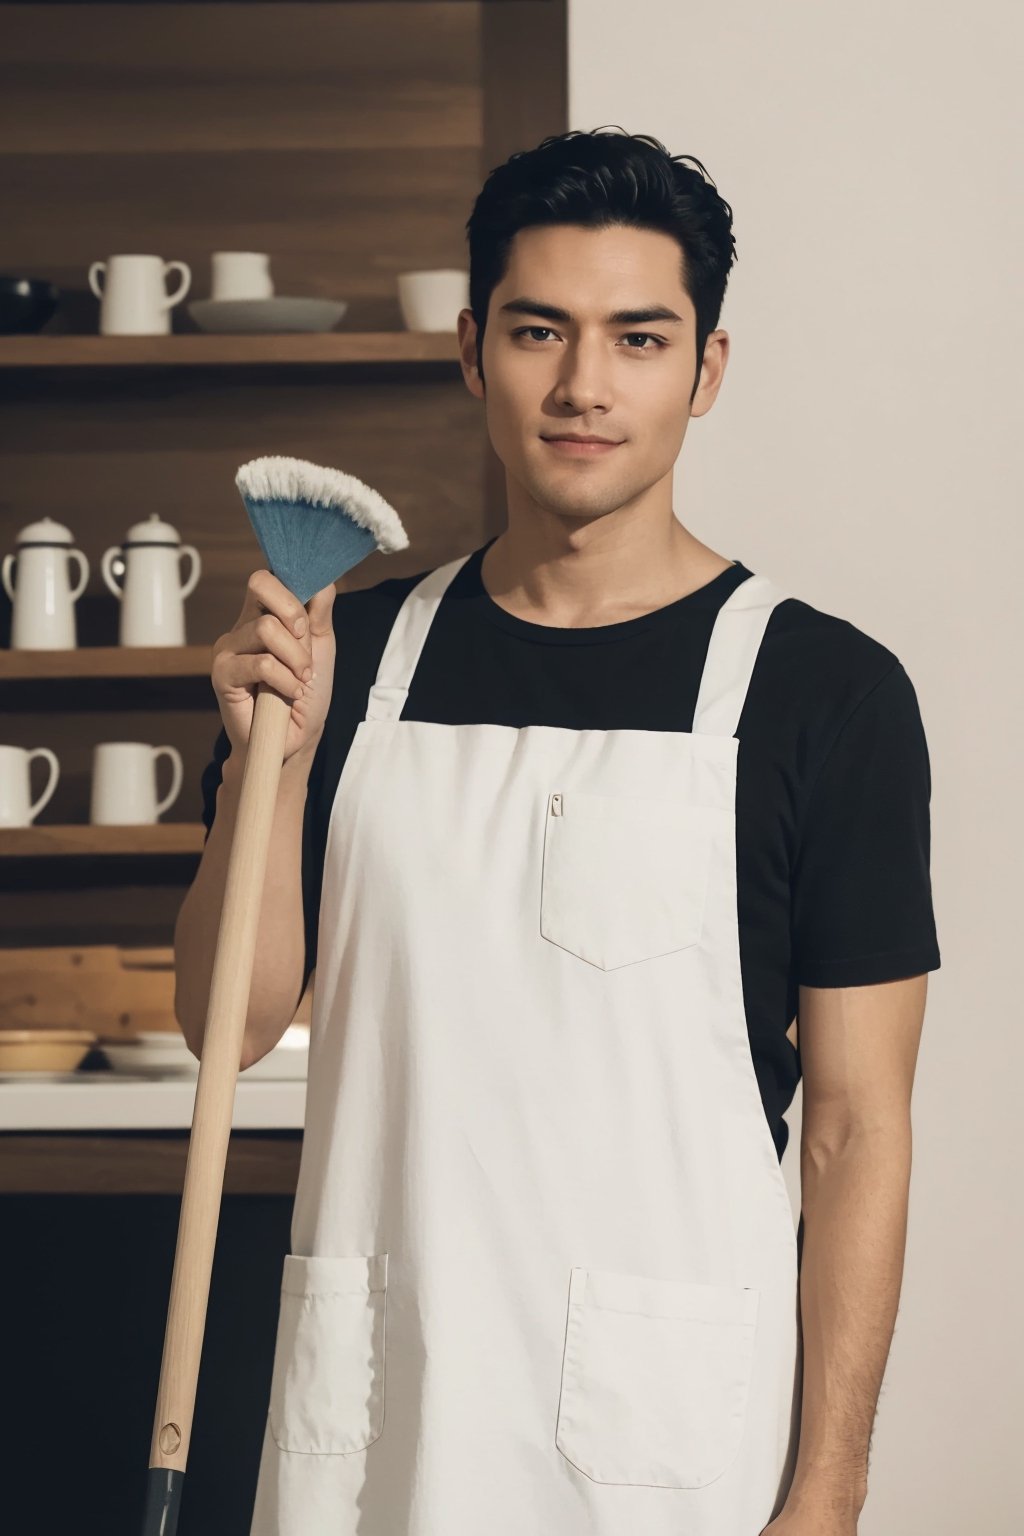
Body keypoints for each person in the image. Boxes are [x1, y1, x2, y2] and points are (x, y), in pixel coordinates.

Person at [177, 128, 940, 1536]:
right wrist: (267, 768)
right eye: (540, 331)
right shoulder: (352, 655)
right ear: (474, 350)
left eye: (639, 339)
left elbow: (855, 1132)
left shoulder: (823, 693)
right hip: (375, 1424)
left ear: (707, 371)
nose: (585, 387)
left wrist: (830, 1488)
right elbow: (229, 1026)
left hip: (662, 1455)